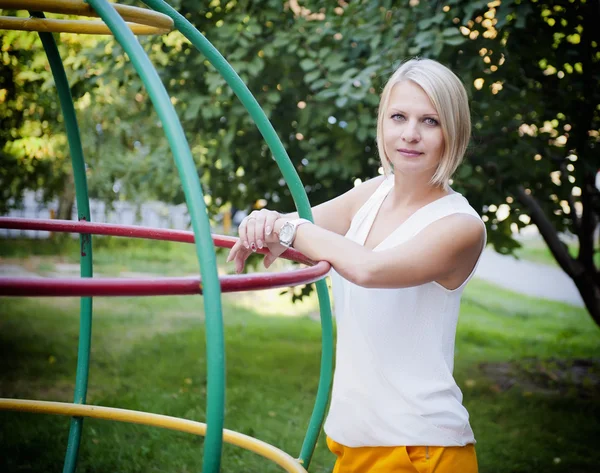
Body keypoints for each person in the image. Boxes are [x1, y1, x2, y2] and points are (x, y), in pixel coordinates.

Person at [227, 58, 486, 473]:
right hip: (354, 441)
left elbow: (369, 269)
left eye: (430, 121)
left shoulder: (460, 226)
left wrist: (291, 229)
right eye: (398, 117)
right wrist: (266, 220)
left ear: (452, 132)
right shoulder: (372, 194)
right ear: (382, 123)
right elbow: (295, 226)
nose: (410, 134)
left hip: (420, 449)